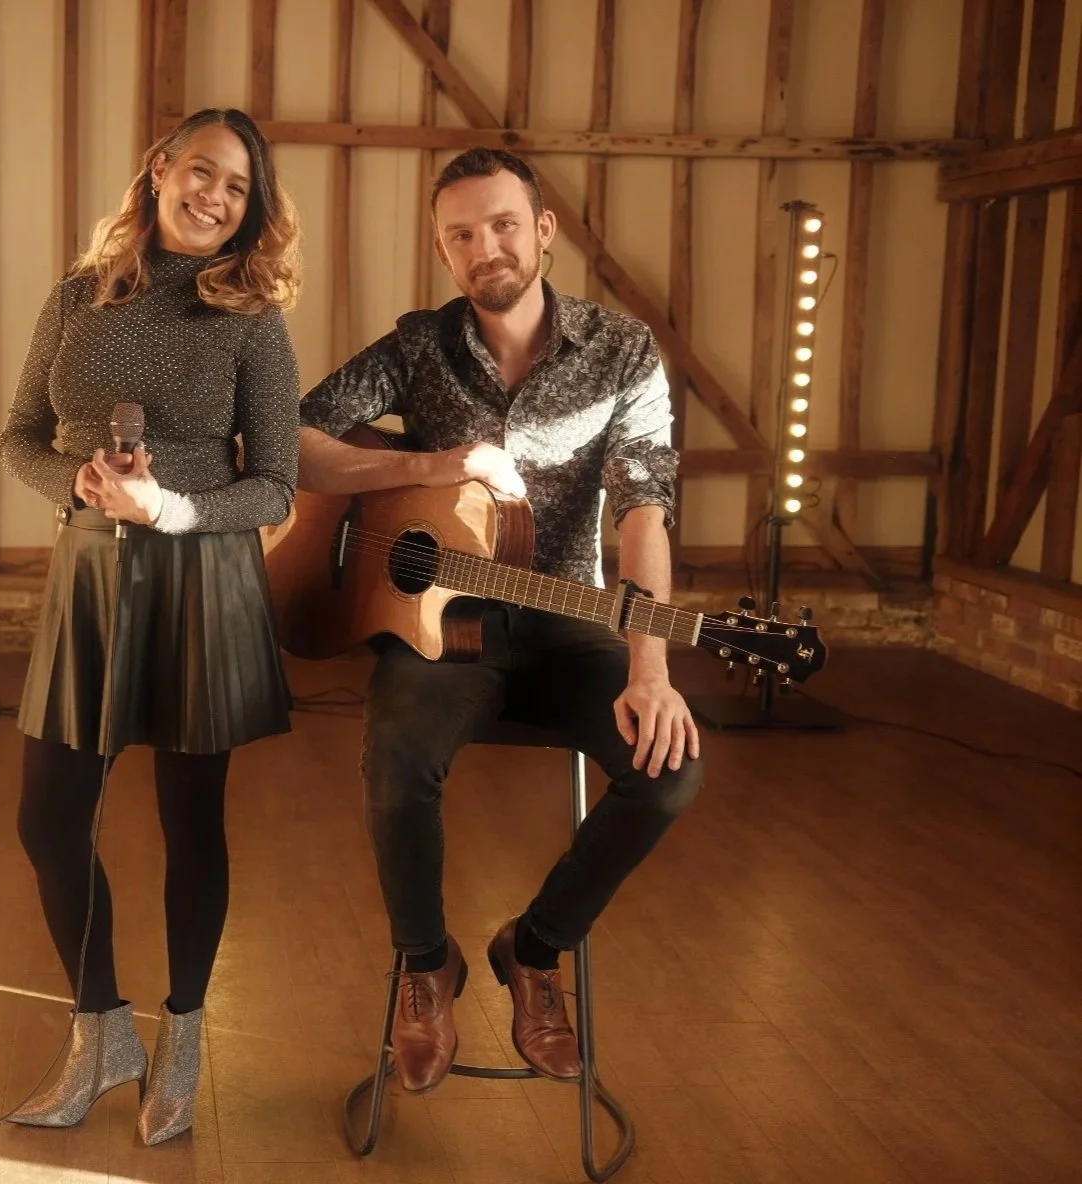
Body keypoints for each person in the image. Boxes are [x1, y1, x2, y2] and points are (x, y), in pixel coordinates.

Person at [297, 148, 703, 1093]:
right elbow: (299, 445)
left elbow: (643, 512)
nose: (488, 247)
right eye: (463, 235)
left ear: (544, 228)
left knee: (670, 769)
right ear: (445, 253)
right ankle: (427, 961)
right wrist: (428, 468)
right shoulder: (416, 348)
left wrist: (651, 667)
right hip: (439, 623)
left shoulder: (622, 351)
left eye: (504, 224)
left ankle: (533, 949)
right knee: (395, 763)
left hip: (569, 625)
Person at [0, 107, 301, 1145]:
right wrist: (77, 481)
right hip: (89, 569)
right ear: (159, 170)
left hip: (202, 575)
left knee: (190, 819)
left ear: (251, 209)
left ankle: (183, 1034)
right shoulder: (78, 295)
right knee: (49, 816)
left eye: (237, 188)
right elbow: (18, 435)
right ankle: (101, 1029)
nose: (215, 196)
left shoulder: (251, 315)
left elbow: (275, 486)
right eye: (202, 171)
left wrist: (169, 508)